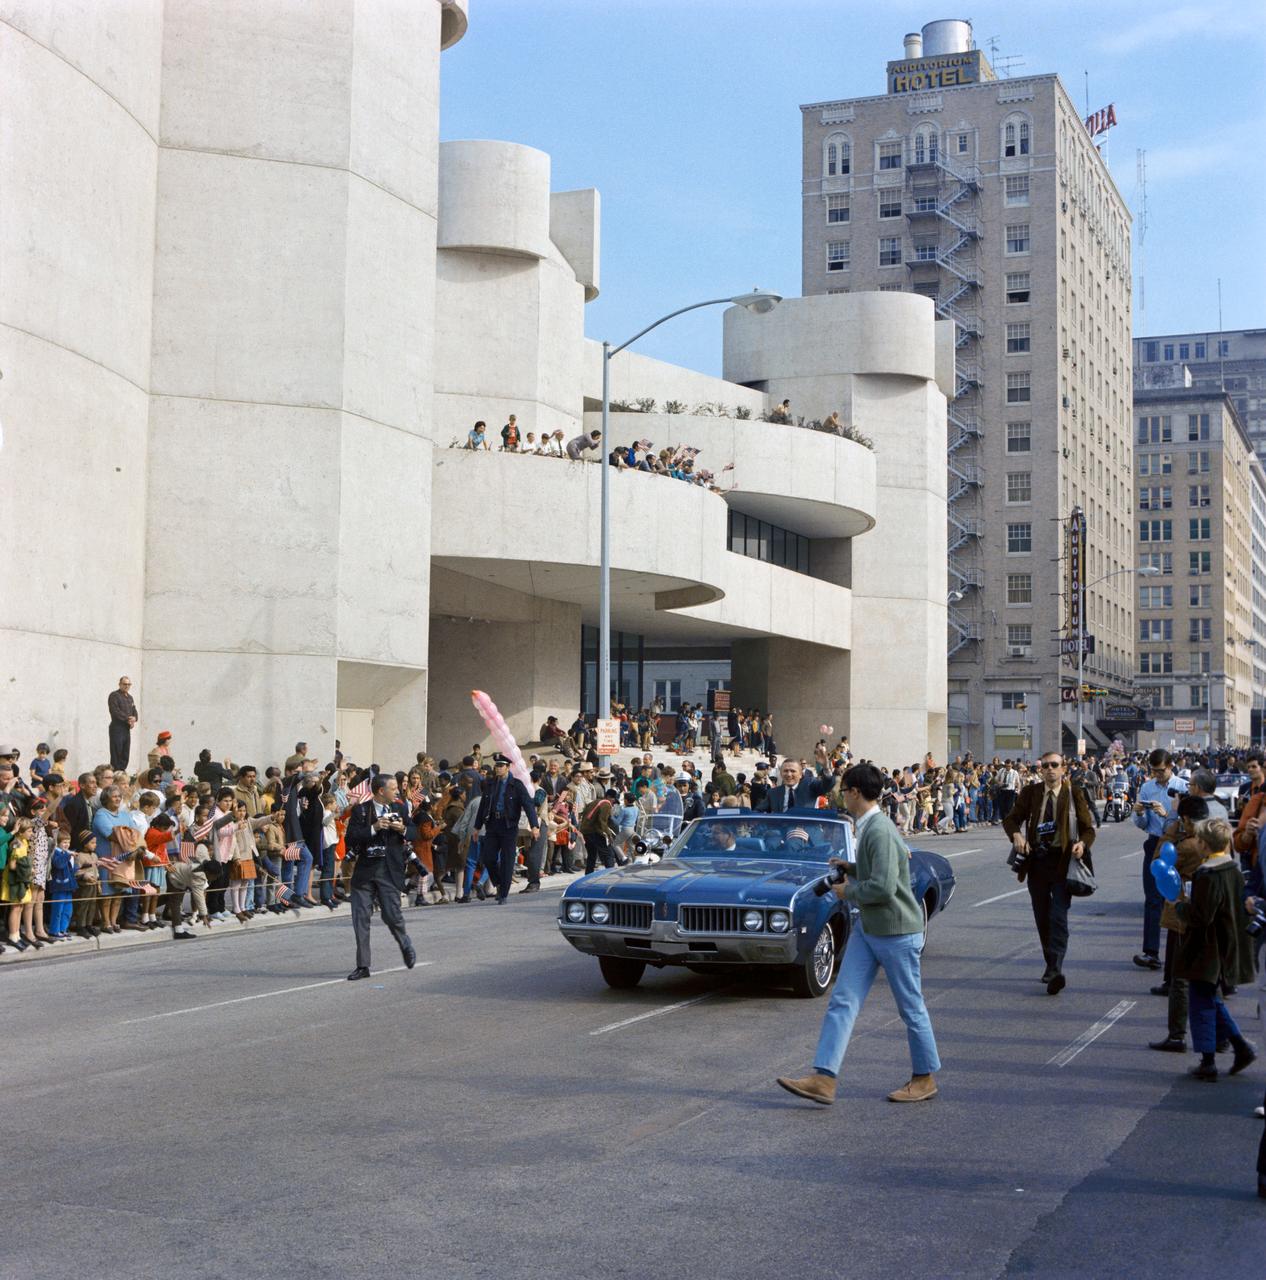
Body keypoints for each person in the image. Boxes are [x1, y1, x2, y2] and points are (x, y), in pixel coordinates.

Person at [776, 763, 940, 1106]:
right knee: (843, 1001)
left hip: (895, 930)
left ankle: (924, 1078)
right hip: (870, 928)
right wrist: (850, 867)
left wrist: (846, 891)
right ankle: (824, 1078)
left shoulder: (878, 829)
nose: (840, 795)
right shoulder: (869, 825)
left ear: (854, 793)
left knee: (911, 1007)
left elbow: (882, 886)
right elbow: (881, 870)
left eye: (842, 790)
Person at [1003, 751, 1097, 995]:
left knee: (1058, 916)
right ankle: (1050, 962)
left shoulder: (1074, 793)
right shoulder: (1031, 793)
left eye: (1054, 765)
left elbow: (1089, 829)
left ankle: (1056, 968)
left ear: (1063, 768)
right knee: (1042, 916)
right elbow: (1011, 820)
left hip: (1063, 863)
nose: (1050, 770)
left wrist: (1082, 845)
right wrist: (1017, 835)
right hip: (1037, 862)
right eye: (1045, 766)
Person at [1175, 818, 1256, 1083]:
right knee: (1211, 998)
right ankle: (1239, 1046)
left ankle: (1208, 1060)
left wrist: (1179, 906)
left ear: (1204, 844)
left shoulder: (1207, 873)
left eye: (1198, 840)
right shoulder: (1231, 868)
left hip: (1206, 946)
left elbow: (1202, 915)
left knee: (1201, 1003)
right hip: (1227, 941)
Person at [1148, 794, 1210, 1053]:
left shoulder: (1185, 846)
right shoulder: (1213, 840)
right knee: (1207, 981)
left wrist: (1170, 829)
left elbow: (1158, 861)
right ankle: (1225, 1038)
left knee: (1180, 979)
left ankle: (1177, 1035)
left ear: (1185, 819)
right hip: (1208, 916)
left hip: (1183, 914)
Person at [343, 774, 416, 980]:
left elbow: (414, 832)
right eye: (393, 788)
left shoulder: (400, 808)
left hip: (389, 870)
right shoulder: (361, 810)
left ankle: (404, 943)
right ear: (381, 791)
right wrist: (374, 828)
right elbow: (351, 838)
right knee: (360, 919)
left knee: (391, 915)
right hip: (365, 870)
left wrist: (402, 828)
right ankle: (363, 965)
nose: (397, 791)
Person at [1133, 749, 1188, 970]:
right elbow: (1143, 824)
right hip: (1154, 843)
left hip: (1177, 846)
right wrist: (1139, 813)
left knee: (1178, 898)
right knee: (1152, 898)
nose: (1157, 775)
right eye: (1153, 771)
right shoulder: (1147, 788)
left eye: (1161, 771)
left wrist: (1167, 815)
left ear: (1170, 766)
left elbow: (1188, 824)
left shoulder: (1183, 787)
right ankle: (1151, 952)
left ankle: (1182, 952)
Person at [471, 754, 540, 904]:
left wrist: (534, 825)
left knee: (508, 861)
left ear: (508, 768)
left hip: (508, 826)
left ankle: (503, 894)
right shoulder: (490, 784)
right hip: (492, 824)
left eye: (501, 766)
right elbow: (483, 806)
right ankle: (499, 882)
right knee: (488, 858)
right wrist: (477, 827)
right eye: (496, 766)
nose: (498, 768)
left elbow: (528, 805)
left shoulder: (516, 785)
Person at [759, 747, 833, 812]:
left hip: (806, 827)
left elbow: (827, 786)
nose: (789, 774)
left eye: (792, 771)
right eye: (785, 771)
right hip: (780, 827)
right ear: (781, 774)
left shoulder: (810, 786)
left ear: (800, 775)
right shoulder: (773, 793)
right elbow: (758, 812)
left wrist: (826, 768)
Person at [107, 676, 137, 770]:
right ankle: (115, 774)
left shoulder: (130, 698)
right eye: (124, 684)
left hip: (126, 729)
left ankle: (122, 773)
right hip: (117, 728)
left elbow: (134, 710)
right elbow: (115, 711)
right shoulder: (114, 695)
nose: (127, 686)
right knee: (117, 753)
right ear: (120, 684)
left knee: (125, 753)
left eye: (129, 684)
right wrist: (128, 719)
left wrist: (134, 718)